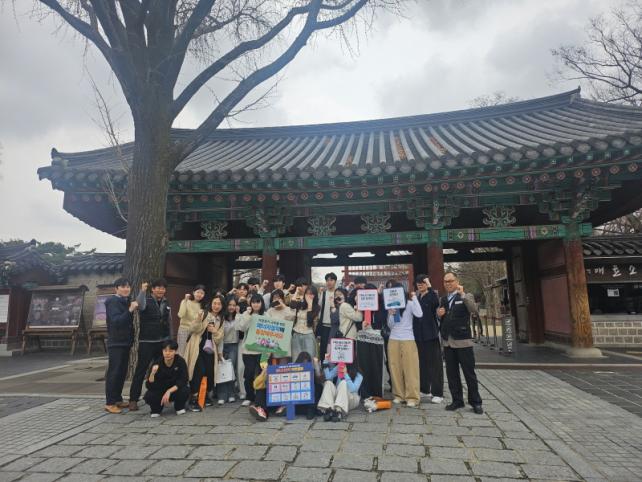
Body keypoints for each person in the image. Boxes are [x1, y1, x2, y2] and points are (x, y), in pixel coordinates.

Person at [437, 272, 483, 414]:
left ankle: (476, 402)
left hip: (463, 341)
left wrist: (462, 295)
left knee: (469, 373)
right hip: (448, 342)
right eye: (446, 281)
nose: (448, 283)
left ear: (457, 281)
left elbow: (474, 310)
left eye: (451, 281)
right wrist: (439, 315)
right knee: (452, 374)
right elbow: (441, 318)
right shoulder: (443, 299)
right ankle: (457, 400)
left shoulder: (466, 296)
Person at [128, 278, 171, 411]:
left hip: (161, 341)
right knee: (141, 370)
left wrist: (169, 340)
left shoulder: (166, 302)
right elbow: (140, 305)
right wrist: (142, 291)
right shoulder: (146, 300)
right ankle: (133, 399)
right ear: (153, 289)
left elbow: (169, 321)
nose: (161, 290)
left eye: (163, 288)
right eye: (158, 288)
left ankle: (159, 396)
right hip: (147, 341)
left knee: (160, 370)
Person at [184, 295, 225, 411]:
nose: (216, 306)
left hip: (211, 349)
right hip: (197, 347)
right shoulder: (203, 313)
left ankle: (204, 395)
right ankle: (194, 398)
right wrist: (198, 319)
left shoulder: (221, 319)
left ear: (222, 306)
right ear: (211, 304)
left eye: (219, 304)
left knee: (209, 372)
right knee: (198, 371)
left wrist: (214, 331)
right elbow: (192, 329)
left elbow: (219, 339)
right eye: (214, 303)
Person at [104, 277, 138, 414]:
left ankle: (117, 399)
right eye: (123, 287)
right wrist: (130, 310)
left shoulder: (124, 300)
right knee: (114, 372)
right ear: (116, 288)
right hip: (116, 342)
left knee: (122, 372)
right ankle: (110, 402)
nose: (126, 289)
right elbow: (116, 321)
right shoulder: (112, 301)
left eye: (128, 287)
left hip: (125, 342)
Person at [386, 282, 423, 407]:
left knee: (411, 368)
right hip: (393, 339)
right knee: (394, 367)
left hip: (408, 339)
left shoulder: (410, 303)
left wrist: (414, 297)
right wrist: (390, 314)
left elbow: (419, 314)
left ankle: (412, 397)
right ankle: (398, 395)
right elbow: (390, 325)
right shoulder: (391, 305)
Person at [413, 275, 444, 403]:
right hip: (418, 336)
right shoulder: (416, 297)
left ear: (427, 283)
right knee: (422, 363)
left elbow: (435, 303)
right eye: (418, 283)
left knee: (435, 365)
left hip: (431, 335)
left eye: (423, 282)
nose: (420, 285)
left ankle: (438, 393)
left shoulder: (432, 295)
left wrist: (430, 287)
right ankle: (425, 389)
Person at [143, 339, 190, 417]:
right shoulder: (157, 363)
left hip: (174, 390)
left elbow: (184, 379)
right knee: (149, 395)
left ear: (175, 351)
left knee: (185, 390)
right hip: (160, 390)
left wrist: (169, 391)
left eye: (171, 351)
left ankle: (179, 407)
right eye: (165, 351)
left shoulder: (180, 361)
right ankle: (156, 409)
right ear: (162, 351)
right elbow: (149, 385)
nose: (167, 353)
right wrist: (152, 374)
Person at [236, 293, 266, 407]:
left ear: (262, 303)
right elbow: (242, 328)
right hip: (248, 350)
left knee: (261, 374)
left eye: (258, 302)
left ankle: (260, 397)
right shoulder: (246, 313)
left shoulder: (266, 315)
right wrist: (248, 315)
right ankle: (249, 396)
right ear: (250, 303)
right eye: (253, 302)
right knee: (248, 374)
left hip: (262, 350)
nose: (256, 304)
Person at [318, 358, 363, 422]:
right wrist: (326, 363)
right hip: (339, 398)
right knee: (328, 383)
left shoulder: (359, 374)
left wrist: (345, 374)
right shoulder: (339, 366)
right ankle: (328, 409)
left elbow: (353, 389)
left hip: (351, 399)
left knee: (343, 382)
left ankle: (339, 411)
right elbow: (328, 377)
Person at [217, 296, 241, 405]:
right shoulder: (221, 318)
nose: (231, 307)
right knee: (221, 370)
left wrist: (239, 313)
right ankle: (222, 395)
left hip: (233, 346)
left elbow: (241, 327)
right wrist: (219, 350)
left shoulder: (238, 317)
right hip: (222, 345)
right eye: (230, 305)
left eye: (234, 305)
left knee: (231, 370)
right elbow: (219, 335)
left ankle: (231, 394)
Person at [291, 286, 319, 361]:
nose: (309, 296)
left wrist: (310, 305)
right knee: (296, 358)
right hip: (296, 334)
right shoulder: (301, 304)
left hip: (308, 335)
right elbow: (292, 305)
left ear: (315, 296)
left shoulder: (317, 307)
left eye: (311, 294)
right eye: (307, 293)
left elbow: (309, 321)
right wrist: (296, 292)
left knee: (310, 358)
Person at [177, 285, 206, 356]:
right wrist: (185, 300)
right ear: (193, 292)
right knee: (181, 351)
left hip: (195, 332)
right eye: (198, 292)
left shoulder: (203, 306)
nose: (199, 294)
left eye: (202, 293)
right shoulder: (186, 301)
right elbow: (181, 315)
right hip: (184, 330)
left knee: (191, 353)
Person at [317, 272, 338, 362]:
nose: (329, 282)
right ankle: (323, 365)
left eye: (331, 280)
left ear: (335, 281)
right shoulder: (324, 294)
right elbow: (319, 308)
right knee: (323, 347)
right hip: (325, 325)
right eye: (327, 280)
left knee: (335, 348)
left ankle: (335, 366)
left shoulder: (338, 293)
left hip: (336, 325)